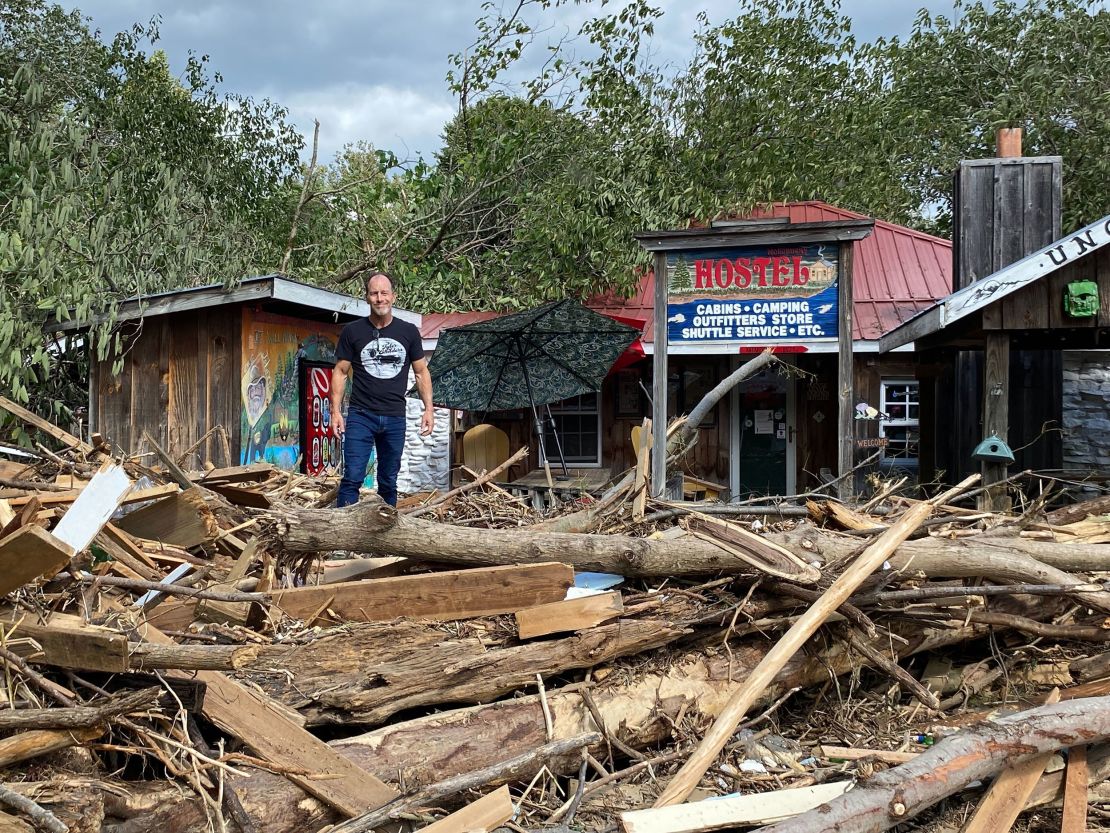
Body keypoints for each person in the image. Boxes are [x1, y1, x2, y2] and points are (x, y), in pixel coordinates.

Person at [331, 273, 434, 507]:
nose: (379, 298)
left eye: (384, 293)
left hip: (395, 417)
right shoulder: (353, 331)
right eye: (374, 293)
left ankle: (386, 534)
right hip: (361, 415)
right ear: (367, 298)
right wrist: (335, 412)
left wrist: (429, 410)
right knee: (353, 477)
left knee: (388, 480)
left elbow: (421, 372)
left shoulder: (408, 332)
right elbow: (340, 372)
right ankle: (343, 537)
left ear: (393, 296)